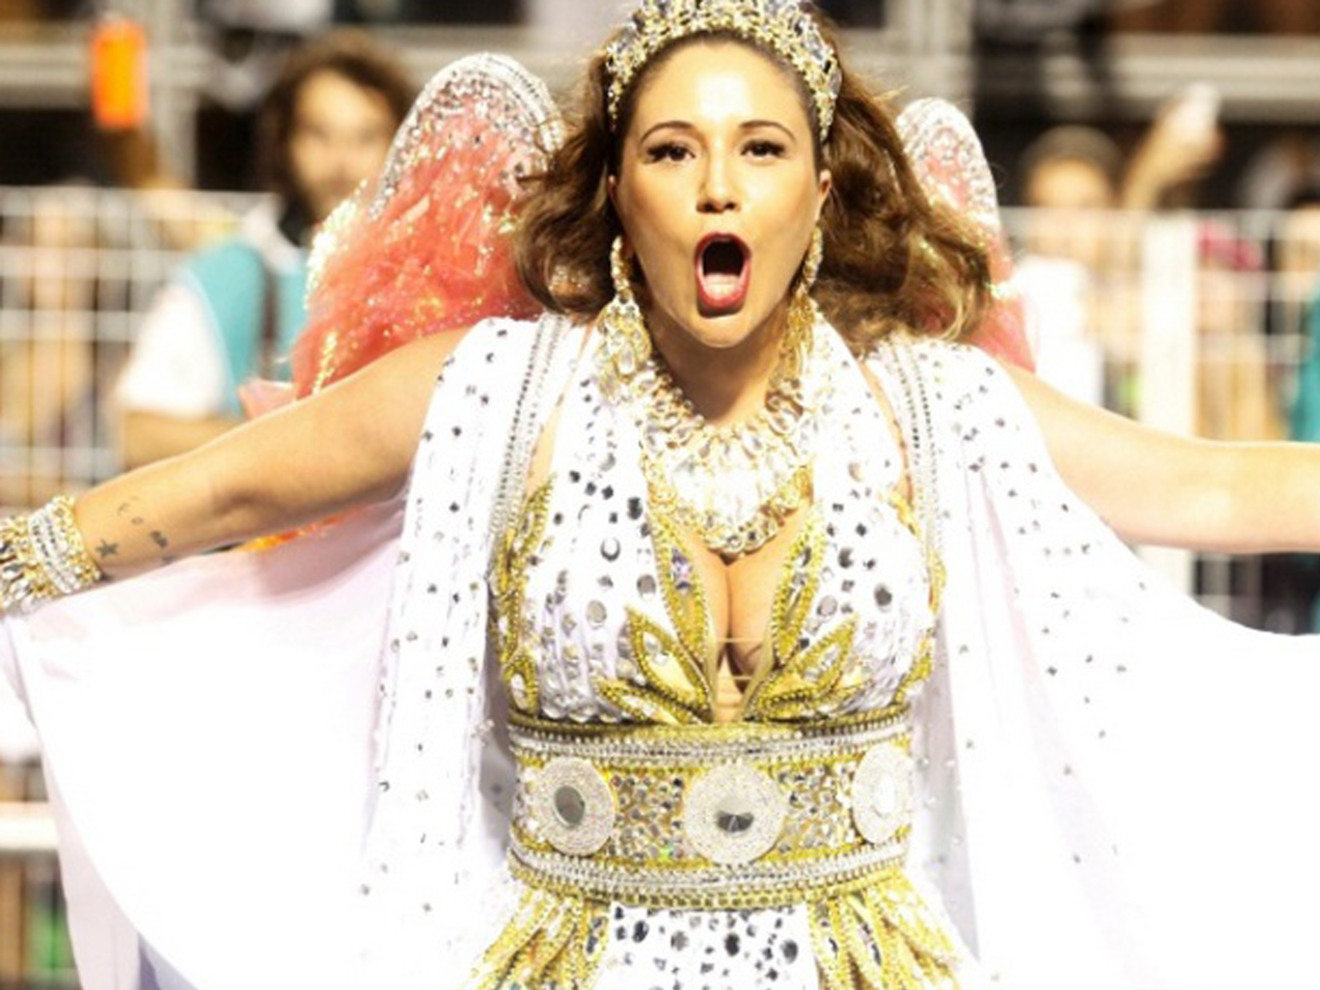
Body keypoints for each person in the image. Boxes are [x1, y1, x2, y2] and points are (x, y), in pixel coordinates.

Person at [1, 3, 1319, 990]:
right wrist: (18, 563)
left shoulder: (933, 404)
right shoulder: (497, 389)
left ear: (821, 187)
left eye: (762, 148)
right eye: (673, 150)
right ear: (619, 191)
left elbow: (1211, 486)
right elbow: (222, 491)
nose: (718, 185)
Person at [114, 29, 415, 469]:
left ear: (404, 148)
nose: (341, 160)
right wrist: (289, 447)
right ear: (283, 142)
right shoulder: (225, 273)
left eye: (366, 137)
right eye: (319, 134)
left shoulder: (430, 274)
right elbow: (139, 434)